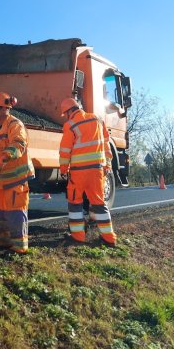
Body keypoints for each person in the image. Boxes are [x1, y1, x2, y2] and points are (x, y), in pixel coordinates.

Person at [59, 97, 117, 246]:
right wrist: (107, 164)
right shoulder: (97, 119)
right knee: (99, 202)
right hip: (97, 170)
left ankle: (78, 237)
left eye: (65, 113)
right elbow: (106, 143)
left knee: (75, 202)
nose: (65, 116)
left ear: (70, 111)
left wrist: (64, 169)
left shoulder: (70, 125)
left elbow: (65, 151)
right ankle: (109, 238)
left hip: (78, 172)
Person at [0, 92, 35, 254]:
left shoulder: (15, 124)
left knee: (15, 212)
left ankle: (19, 247)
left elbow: (19, 143)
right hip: (1, 179)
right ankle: (4, 241)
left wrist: (7, 153)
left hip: (16, 178)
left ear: (3, 109)